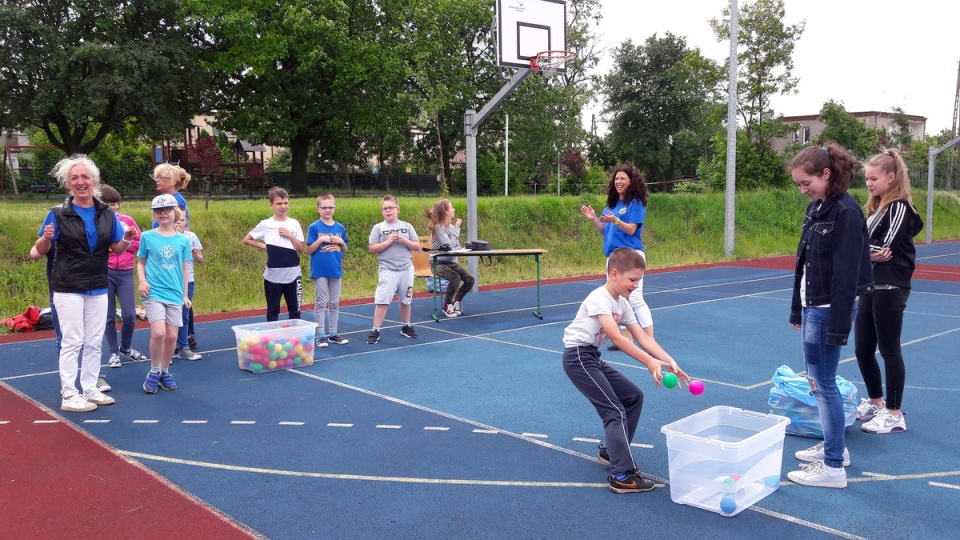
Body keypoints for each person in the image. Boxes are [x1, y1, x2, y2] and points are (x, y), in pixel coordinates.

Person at [562, 247, 689, 494]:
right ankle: (622, 475)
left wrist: (668, 360)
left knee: (633, 397)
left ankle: (612, 451)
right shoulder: (599, 298)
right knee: (613, 410)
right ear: (614, 274)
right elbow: (618, 339)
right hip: (577, 357)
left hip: (591, 357)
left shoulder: (623, 303)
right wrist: (649, 362)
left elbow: (643, 337)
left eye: (639, 281)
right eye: (632, 280)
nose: (635, 286)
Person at [788, 143, 873, 489]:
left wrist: (838, 327)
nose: (802, 189)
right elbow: (803, 263)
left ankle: (834, 466)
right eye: (798, 184)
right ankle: (834, 448)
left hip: (827, 310)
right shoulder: (818, 207)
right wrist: (798, 308)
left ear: (826, 174)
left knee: (824, 384)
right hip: (813, 306)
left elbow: (847, 275)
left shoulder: (847, 213)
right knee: (818, 381)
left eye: (806, 182)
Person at [32, 155, 137, 412]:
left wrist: (127, 237)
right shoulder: (57, 213)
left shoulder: (106, 213)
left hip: (98, 284)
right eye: (74, 178)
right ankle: (69, 395)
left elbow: (117, 249)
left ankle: (89, 388)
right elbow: (37, 251)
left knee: (93, 340)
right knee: (72, 340)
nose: (80, 182)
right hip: (68, 285)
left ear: (95, 181)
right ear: (68, 184)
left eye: (85, 177)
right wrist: (46, 239)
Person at [854, 148, 923, 434]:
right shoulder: (876, 209)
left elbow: (884, 248)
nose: (869, 183)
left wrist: (861, 251)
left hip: (890, 285)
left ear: (891, 177)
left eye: (873, 178)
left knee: (889, 350)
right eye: (867, 178)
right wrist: (864, 252)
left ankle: (894, 413)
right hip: (870, 285)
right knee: (862, 350)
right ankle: (876, 401)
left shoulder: (898, 208)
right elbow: (864, 246)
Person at [580, 164, 654, 351]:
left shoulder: (635, 203)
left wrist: (616, 220)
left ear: (632, 181)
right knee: (617, 298)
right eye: (617, 178)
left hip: (631, 256)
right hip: (613, 257)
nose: (619, 182)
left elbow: (630, 229)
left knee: (635, 299)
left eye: (623, 178)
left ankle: (650, 339)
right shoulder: (612, 205)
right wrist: (594, 218)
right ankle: (625, 339)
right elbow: (604, 230)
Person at [137, 194, 194, 393]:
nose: (163, 214)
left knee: (172, 336)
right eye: (158, 211)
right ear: (154, 214)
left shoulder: (183, 240)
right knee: (159, 332)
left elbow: (185, 268)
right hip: (153, 292)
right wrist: (142, 281)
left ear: (175, 212)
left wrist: (185, 295)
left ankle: (164, 371)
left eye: (167, 210)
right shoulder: (147, 236)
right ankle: (153, 371)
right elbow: (141, 262)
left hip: (175, 293)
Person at [98, 184, 149, 368]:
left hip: (126, 272)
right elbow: (97, 247)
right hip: (105, 272)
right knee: (109, 315)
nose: (114, 207)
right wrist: (113, 247)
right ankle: (113, 352)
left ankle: (126, 348)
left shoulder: (127, 220)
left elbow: (140, 243)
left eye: (116, 203)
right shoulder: (98, 222)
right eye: (109, 204)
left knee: (129, 314)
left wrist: (122, 245)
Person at [243, 186, 306, 321]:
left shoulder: (294, 223)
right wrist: (265, 246)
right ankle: (273, 338)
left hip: (293, 274)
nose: (283, 206)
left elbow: (301, 248)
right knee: (272, 311)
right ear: (271, 204)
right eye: (279, 203)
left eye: (286, 203)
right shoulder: (266, 224)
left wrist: (290, 235)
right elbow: (247, 240)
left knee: (295, 310)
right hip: (273, 275)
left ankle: (296, 339)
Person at [366, 195, 421, 344]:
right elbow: (372, 248)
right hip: (387, 269)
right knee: (382, 299)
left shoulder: (407, 226)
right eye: (385, 208)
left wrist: (405, 241)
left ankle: (406, 326)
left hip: (406, 268)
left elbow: (417, 246)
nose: (388, 210)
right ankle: (375, 329)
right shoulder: (379, 228)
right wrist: (388, 242)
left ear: (398, 209)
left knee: (406, 298)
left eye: (390, 208)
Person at [306, 193, 350, 347]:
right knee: (320, 302)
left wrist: (340, 242)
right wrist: (320, 240)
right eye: (324, 207)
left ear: (335, 208)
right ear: (318, 209)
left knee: (334, 302)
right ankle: (320, 335)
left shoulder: (340, 227)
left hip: (335, 269)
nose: (327, 210)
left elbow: (345, 249)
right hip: (319, 270)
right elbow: (309, 250)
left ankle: (333, 333)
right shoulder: (314, 227)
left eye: (331, 207)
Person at [425, 198, 474, 317]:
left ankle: (457, 301)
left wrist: (460, 248)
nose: (454, 209)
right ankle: (447, 305)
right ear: (446, 212)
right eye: (451, 207)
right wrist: (457, 229)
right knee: (455, 278)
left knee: (469, 279)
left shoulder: (451, 227)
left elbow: (455, 245)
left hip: (452, 262)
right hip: (438, 263)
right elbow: (448, 245)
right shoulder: (438, 227)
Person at [174, 207, 204, 360]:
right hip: (171, 280)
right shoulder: (168, 237)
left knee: (184, 314)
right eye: (177, 220)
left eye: (182, 220)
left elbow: (200, 260)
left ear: (186, 221)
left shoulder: (191, 236)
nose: (180, 223)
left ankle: (183, 346)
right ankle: (172, 344)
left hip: (188, 280)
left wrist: (195, 254)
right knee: (171, 314)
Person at [151, 163, 193, 228]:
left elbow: (182, 228)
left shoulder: (177, 200)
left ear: (173, 182)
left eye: (160, 178)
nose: (157, 180)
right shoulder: (165, 199)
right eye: (156, 178)